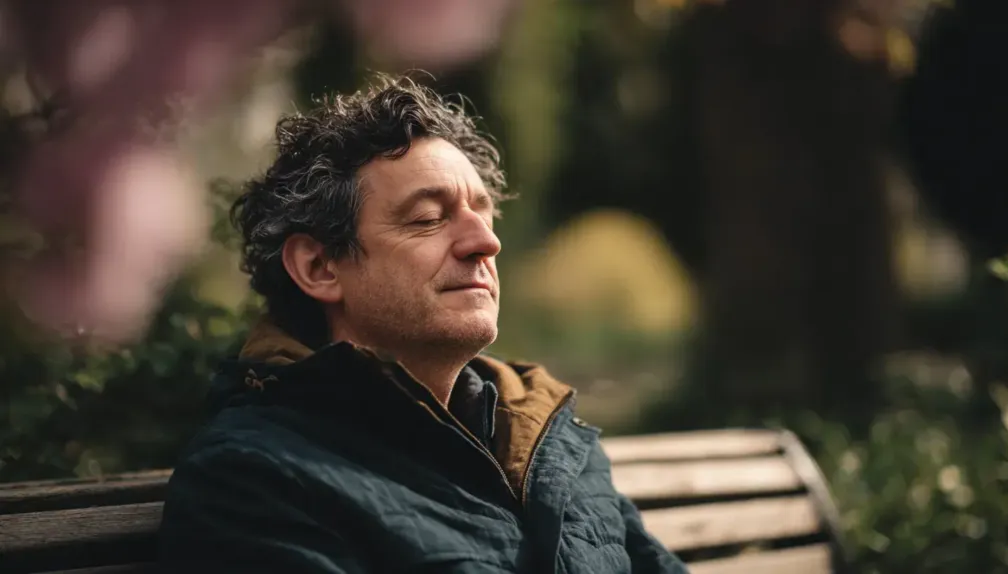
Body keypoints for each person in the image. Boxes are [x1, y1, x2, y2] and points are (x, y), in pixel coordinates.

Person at [158, 74, 688, 574]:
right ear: (320, 268)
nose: (486, 242)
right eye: (428, 219)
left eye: (483, 214)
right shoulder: (255, 478)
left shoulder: (548, 438)